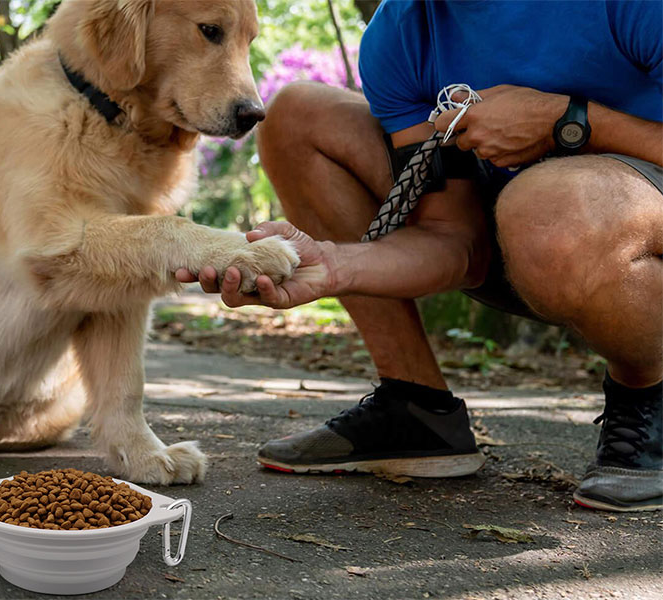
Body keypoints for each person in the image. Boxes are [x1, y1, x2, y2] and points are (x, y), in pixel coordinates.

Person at [177, 0, 662, 512]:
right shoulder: (402, 30)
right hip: (520, 238)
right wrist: (334, 266)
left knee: (546, 210)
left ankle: (647, 395)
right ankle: (417, 407)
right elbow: (456, 242)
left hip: (621, 222)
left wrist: (569, 122)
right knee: (296, 117)